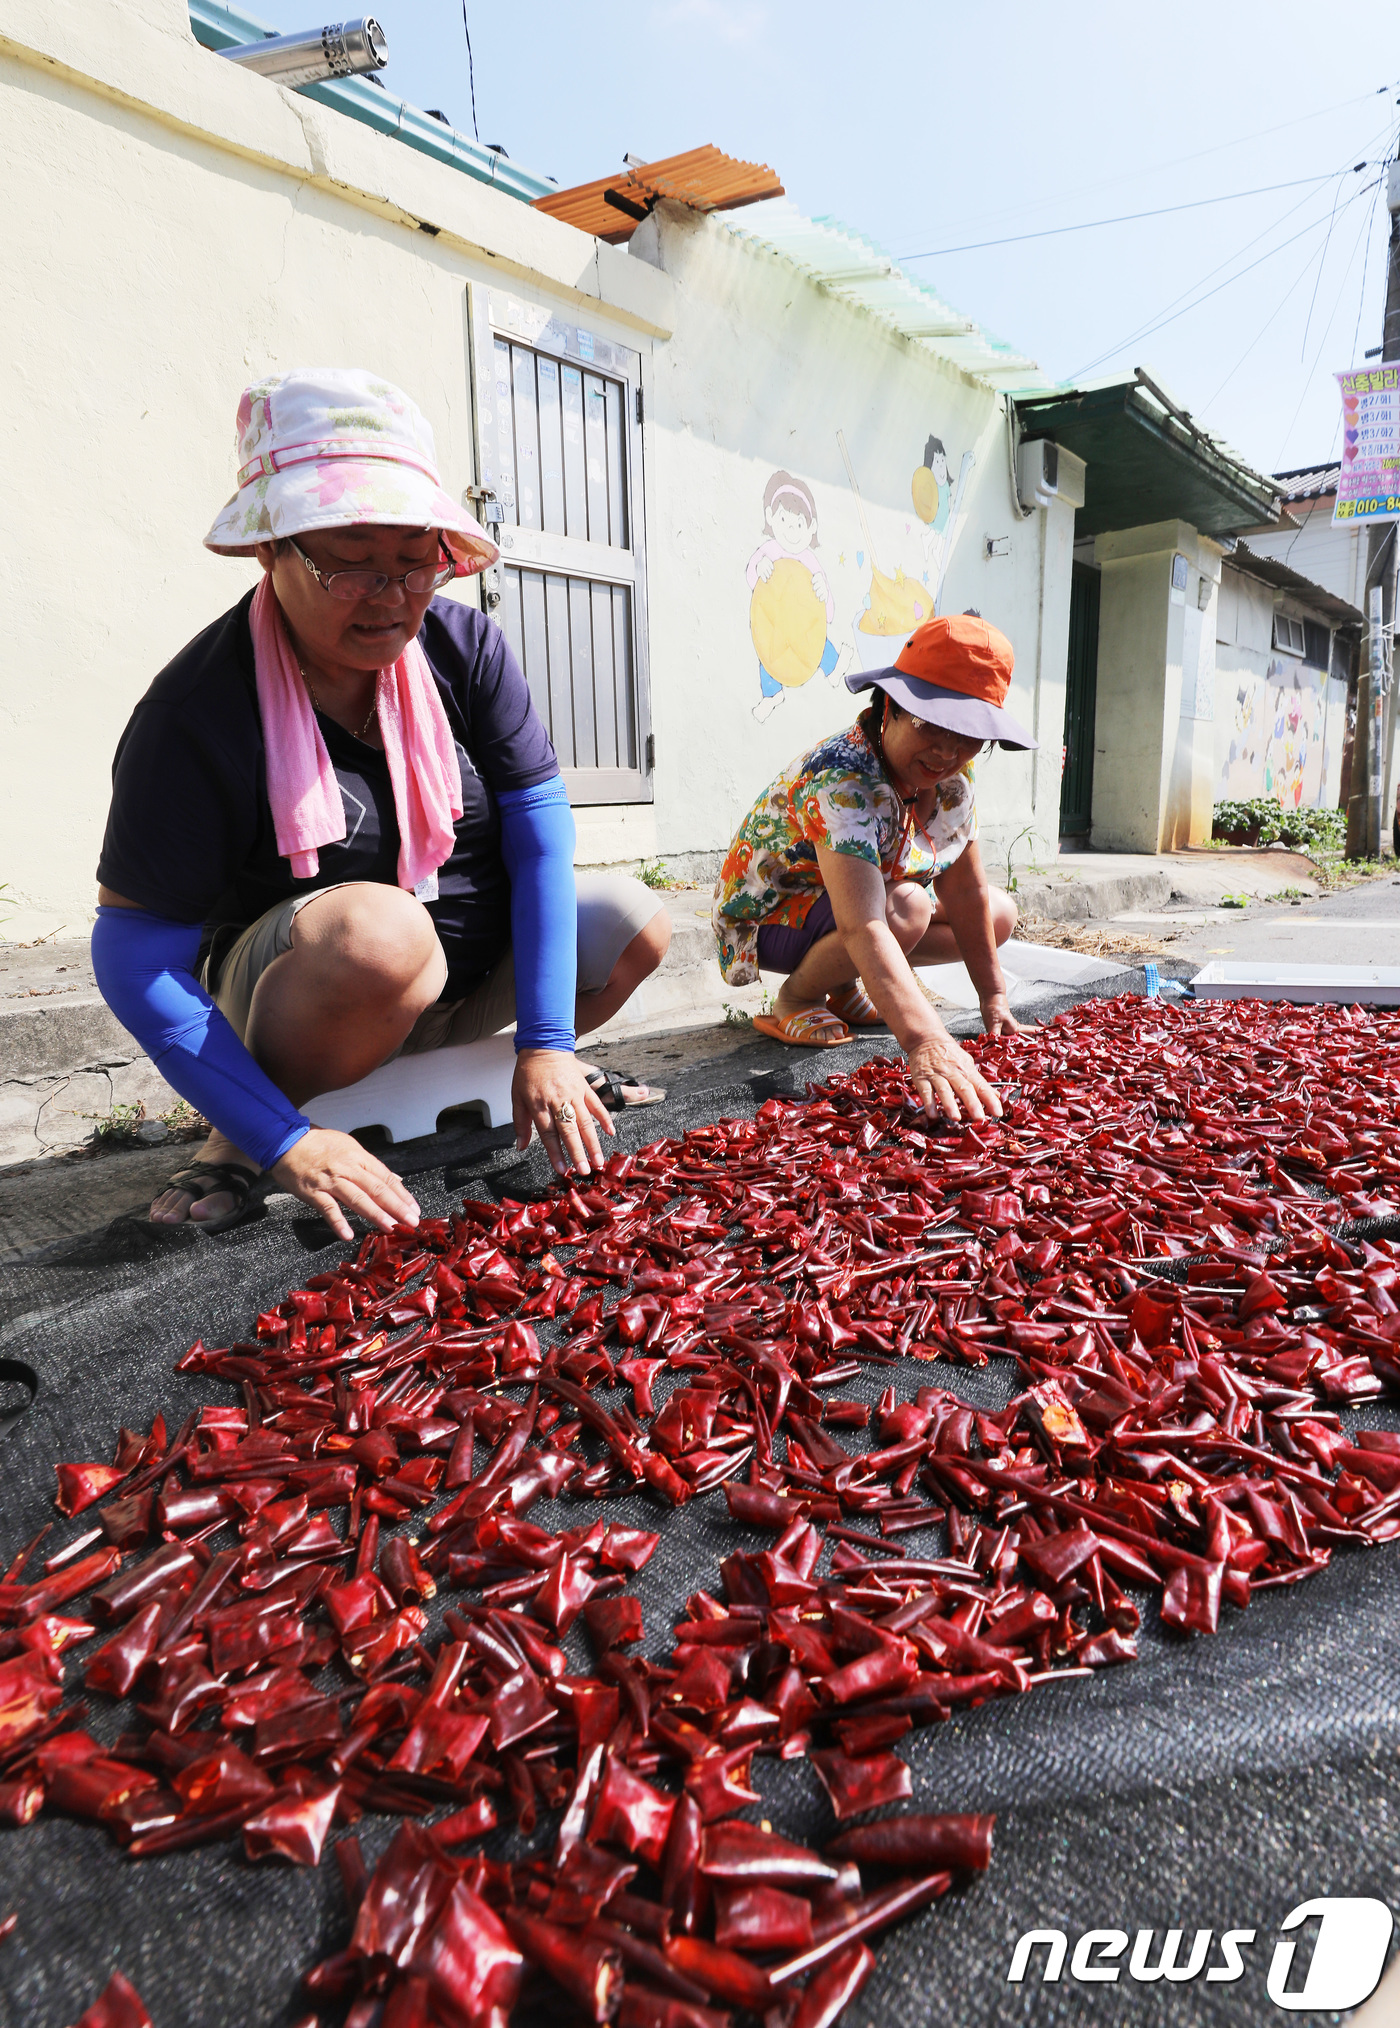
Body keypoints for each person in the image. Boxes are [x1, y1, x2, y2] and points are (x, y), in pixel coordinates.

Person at [91, 368, 670, 1241]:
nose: (391, 596)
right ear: (269, 549)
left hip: (459, 978)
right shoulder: (198, 712)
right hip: (308, 994)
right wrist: (280, 1136)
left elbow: (541, 846)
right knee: (383, 935)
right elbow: (135, 958)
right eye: (349, 564)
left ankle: (484, 1072)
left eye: (414, 561)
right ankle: (245, 1134)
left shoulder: (463, 647)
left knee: (630, 921)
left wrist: (548, 1040)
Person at [712, 612, 1034, 1123]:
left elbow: (967, 895)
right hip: (772, 915)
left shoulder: (953, 782)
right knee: (903, 909)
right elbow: (862, 922)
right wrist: (926, 1038)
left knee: (998, 914)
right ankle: (796, 998)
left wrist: (993, 998)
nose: (947, 752)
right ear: (890, 708)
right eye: (932, 726)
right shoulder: (842, 777)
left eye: (968, 737)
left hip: (846, 907)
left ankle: (843, 988)